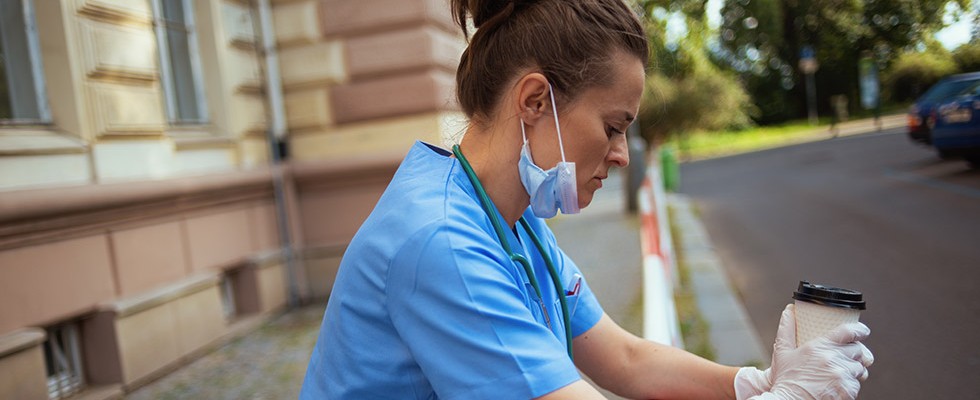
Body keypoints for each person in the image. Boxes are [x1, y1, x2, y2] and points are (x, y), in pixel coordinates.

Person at [299, 0, 874, 398]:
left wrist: (757, 382)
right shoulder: (440, 242)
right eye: (613, 126)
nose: (622, 155)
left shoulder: (511, 219)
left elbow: (624, 359)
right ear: (533, 101)